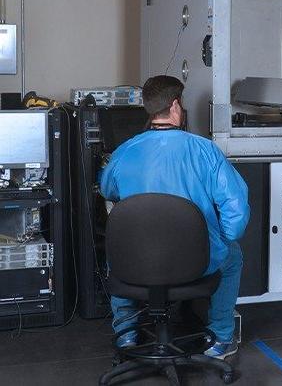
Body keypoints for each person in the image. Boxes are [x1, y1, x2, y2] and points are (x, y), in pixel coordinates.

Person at [100, 75, 250, 359]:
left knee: (114, 254)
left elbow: (109, 190)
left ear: (149, 109)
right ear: (176, 106)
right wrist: (221, 239)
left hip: (135, 261)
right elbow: (237, 214)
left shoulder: (125, 152)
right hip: (195, 262)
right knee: (232, 255)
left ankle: (127, 337)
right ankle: (220, 340)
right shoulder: (205, 151)